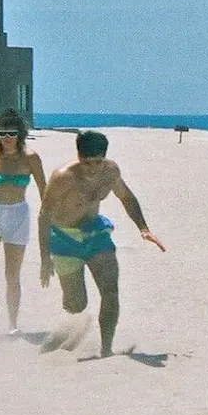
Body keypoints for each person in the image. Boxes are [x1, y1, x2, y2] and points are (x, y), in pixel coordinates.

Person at [38, 130, 166, 357]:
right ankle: (64, 335)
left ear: (104, 157)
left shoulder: (110, 171)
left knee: (111, 292)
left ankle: (106, 349)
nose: (93, 168)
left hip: (95, 234)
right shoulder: (63, 177)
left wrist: (143, 228)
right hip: (64, 239)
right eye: (87, 163)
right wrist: (44, 257)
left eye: (98, 162)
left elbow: (126, 197)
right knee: (76, 305)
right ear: (79, 156)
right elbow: (44, 217)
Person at [0, 109, 47, 334]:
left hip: (18, 215)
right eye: (2, 133)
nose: (7, 137)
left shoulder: (31, 158)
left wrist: (48, 218)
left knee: (12, 274)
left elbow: (44, 191)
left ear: (20, 133)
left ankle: (13, 324)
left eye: (12, 132)